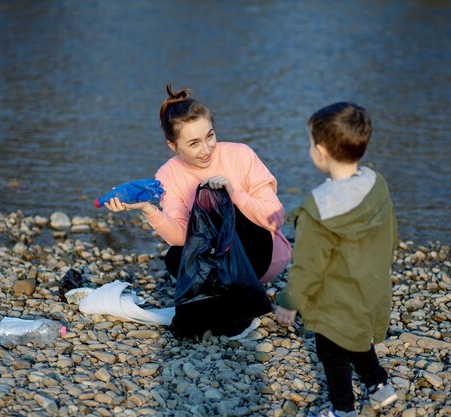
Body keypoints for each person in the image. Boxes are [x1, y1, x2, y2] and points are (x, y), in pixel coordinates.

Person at [274, 102, 399, 417]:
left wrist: (289, 301)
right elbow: (390, 227)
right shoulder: (376, 183)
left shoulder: (319, 206)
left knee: (331, 351)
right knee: (356, 334)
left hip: (337, 295)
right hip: (371, 285)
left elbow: (308, 265)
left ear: (320, 151)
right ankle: (379, 385)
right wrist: (386, 263)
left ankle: (343, 409)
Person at [104, 84, 291, 283]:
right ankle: (222, 291)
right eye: (194, 143)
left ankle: (229, 289)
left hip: (262, 257)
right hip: (217, 260)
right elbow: (182, 238)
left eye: (210, 136)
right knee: (175, 258)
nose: (206, 149)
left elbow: (276, 219)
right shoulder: (167, 174)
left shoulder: (241, 154)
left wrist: (234, 194)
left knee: (222, 201)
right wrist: (148, 209)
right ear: (173, 146)